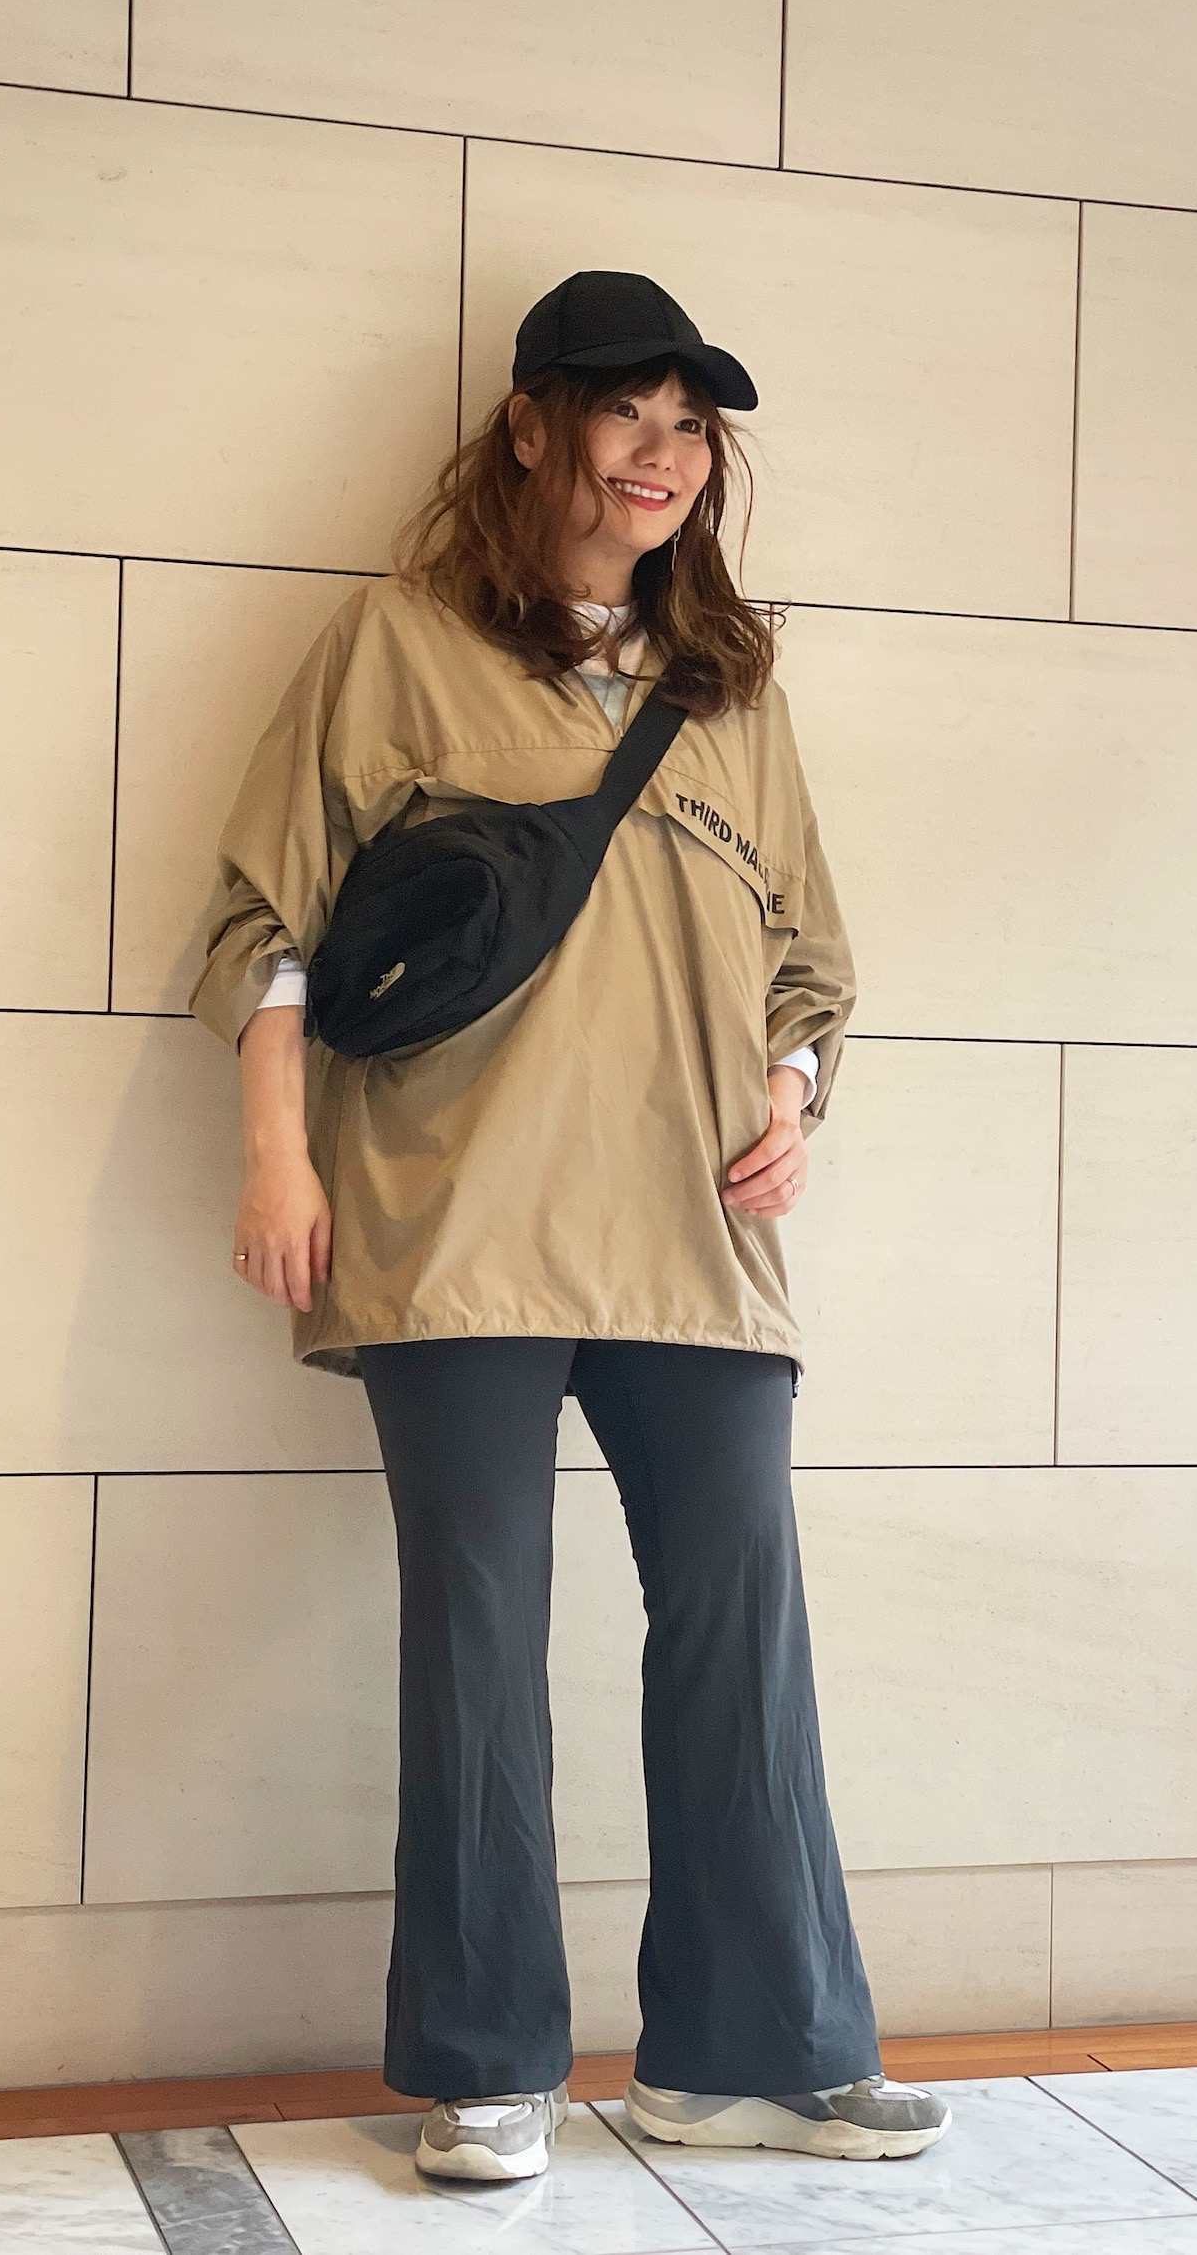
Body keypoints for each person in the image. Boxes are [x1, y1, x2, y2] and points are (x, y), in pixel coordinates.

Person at [190, 271, 952, 2181]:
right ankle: (486, 2061)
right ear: (532, 423)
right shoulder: (394, 644)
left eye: (693, 427)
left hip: (695, 1232)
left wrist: (793, 1098)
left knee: (738, 1620)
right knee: (477, 1635)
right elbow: (266, 918)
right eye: (629, 411)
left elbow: (811, 957)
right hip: (455, 1214)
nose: (661, 454)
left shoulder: (731, 691)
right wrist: (277, 1157)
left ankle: (751, 2048)